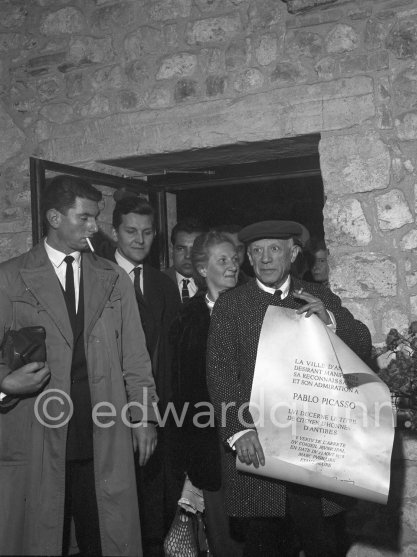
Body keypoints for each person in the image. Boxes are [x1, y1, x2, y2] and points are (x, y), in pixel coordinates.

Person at [0, 174, 158, 556]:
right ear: (54, 218)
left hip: (102, 432)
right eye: (84, 218)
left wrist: (145, 417)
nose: (94, 227)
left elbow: (135, 356)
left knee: (106, 537)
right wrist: (6, 385)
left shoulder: (113, 277)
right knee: (40, 537)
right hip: (35, 432)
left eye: (96, 218)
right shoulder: (9, 278)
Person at [206, 220, 372, 557]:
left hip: (315, 451)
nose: (265, 258)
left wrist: (331, 321)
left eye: (274, 249)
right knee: (266, 543)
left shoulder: (320, 296)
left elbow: (361, 346)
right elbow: (221, 374)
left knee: (323, 544)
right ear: (248, 258)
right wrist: (240, 431)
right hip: (261, 453)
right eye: (256, 251)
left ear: (293, 253)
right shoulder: (231, 306)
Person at [111, 194, 183, 556]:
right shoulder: (99, 279)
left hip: (160, 413)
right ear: (114, 232)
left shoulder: (162, 284)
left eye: (148, 232)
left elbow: (170, 356)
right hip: (110, 414)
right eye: (130, 231)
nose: (139, 240)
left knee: (156, 508)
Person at [170, 230, 242, 556]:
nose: (232, 266)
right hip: (209, 447)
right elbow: (181, 389)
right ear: (202, 269)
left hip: (253, 435)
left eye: (235, 259)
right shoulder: (188, 318)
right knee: (222, 538)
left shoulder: (252, 310)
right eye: (222, 260)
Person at [165, 218, 207, 302]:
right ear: (171, 250)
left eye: (194, 249)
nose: (188, 256)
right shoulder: (157, 283)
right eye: (180, 248)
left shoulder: (215, 283)